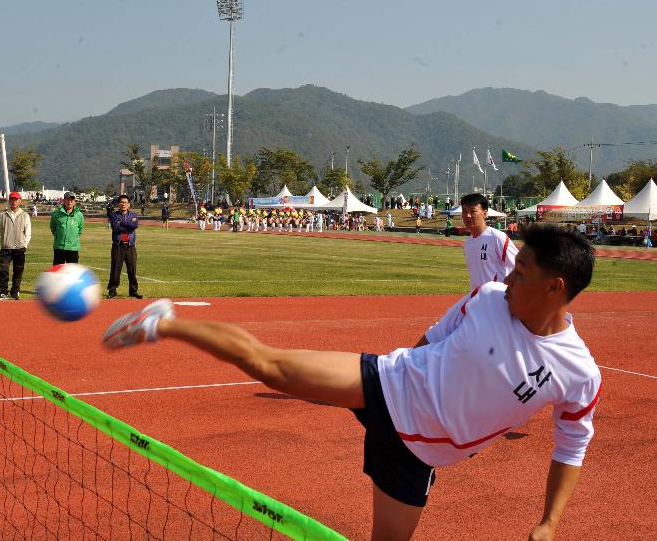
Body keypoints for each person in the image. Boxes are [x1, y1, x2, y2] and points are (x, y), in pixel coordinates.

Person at [103, 225, 601, 541]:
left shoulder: (578, 372)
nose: (509, 277)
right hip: (385, 383)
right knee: (265, 363)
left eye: (522, 271)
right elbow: (429, 340)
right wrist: (411, 371)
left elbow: (571, 447)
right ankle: (163, 322)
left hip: (417, 457)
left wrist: (548, 524)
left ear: (555, 288)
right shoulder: (489, 296)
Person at [461, 192, 519, 290]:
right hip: (477, 299)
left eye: (473, 211)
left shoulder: (497, 238)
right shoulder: (468, 242)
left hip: (497, 299)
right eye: (464, 211)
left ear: (485, 213)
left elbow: (520, 266)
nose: (468, 215)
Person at [0, 191, 32, 300]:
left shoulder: (25, 215)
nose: (14, 201)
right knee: (4, 270)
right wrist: (6, 239)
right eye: (12, 199)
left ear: (20, 201)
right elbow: (0, 230)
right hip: (6, 248)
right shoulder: (3, 215)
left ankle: (15, 291)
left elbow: (28, 232)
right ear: (9, 201)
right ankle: (3, 292)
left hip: (19, 248)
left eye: (16, 199)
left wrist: (24, 244)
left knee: (18, 270)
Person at [107, 194, 141, 299]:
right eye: (122, 202)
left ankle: (133, 291)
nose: (123, 204)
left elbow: (134, 226)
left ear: (129, 204)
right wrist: (128, 225)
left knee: (132, 269)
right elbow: (116, 228)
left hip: (130, 246)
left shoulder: (134, 215)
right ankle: (112, 290)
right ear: (118, 204)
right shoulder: (114, 215)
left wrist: (121, 223)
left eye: (126, 202)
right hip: (118, 245)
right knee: (116, 269)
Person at [50, 192, 84, 265]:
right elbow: (53, 228)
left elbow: (80, 230)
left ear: (74, 201)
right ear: (63, 200)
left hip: (73, 249)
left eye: (72, 199)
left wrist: (73, 239)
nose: (70, 201)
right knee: (57, 273)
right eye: (68, 199)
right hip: (59, 248)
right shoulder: (56, 214)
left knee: (72, 274)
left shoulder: (79, 215)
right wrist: (59, 237)